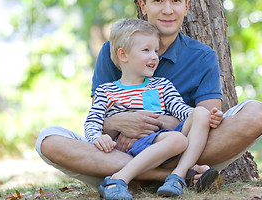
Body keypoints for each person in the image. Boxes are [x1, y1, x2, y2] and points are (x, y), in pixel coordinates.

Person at [35, 0, 262, 191]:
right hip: (122, 151)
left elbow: (206, 121)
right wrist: (119, 123)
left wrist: (153, 123)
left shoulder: (202, 56)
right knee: (48, 141)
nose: (167, 10)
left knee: (256, 114)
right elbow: (99, 120)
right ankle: (176, 176)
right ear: (143, 5)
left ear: (187, 6)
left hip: (181, 145)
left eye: (175, 1)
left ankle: (137, 176)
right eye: (158, 1)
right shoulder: (114, 50)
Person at [85, 18, 223, 199]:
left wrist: (206, 117)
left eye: (156, 51)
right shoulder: (107, 91)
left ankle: (178, 177)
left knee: (200, 113)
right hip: (133, 146)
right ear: (123, 55)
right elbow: (93, 120)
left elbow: (180, 110)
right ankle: (118, 179)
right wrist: (98, 137)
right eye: (146, 50)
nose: (154, 56)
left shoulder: (162, 85)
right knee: (177, 140)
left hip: (163, 140)